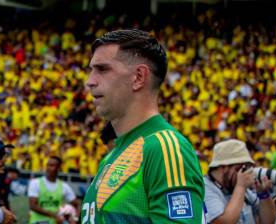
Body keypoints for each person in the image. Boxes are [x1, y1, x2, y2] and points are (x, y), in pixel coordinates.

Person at [82, 29, 205, 223]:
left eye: (102, 69)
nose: (90, 81)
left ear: (139, 77)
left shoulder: (164, 148)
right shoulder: (111, 157)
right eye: (91, 70)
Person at [204, 139, 276, 224]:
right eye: (241, 168)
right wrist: (240, 186)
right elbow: (223, 222)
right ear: (224, 167)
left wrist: (263, 194)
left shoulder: (238, 187)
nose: (245, 172)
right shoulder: (205, 188)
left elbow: (268, 222)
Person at [28, 156, 81, 224]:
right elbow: (33, 205)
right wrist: (54, 215)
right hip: (38, 221)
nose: (49, 168)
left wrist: (75, 218)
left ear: (58, 168)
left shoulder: (64, 186)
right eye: (48, 165)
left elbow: (78, 203)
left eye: (52, 165)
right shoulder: (35, 183)